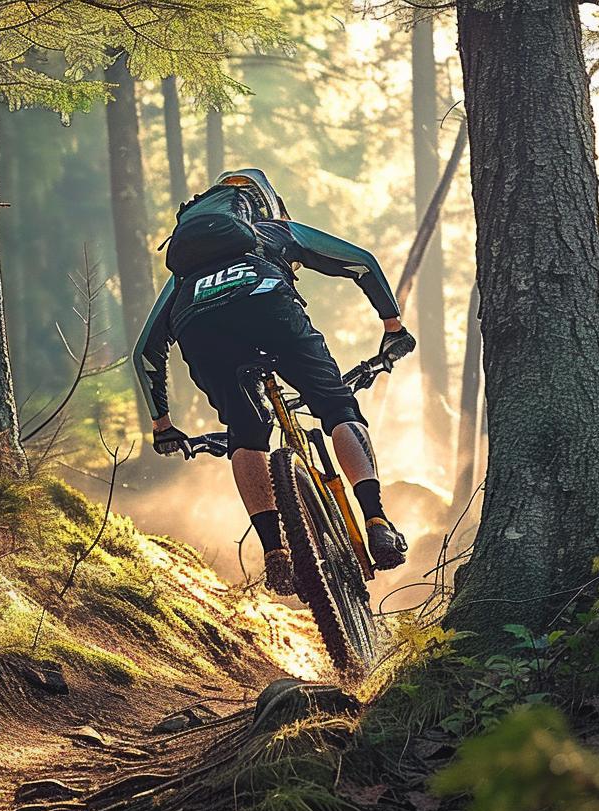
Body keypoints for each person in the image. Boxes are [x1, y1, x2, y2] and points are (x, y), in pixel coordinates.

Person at [132, 168, 415, 596]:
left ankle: (275, 553)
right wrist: (392, 326)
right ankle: (376, 520)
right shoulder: (274, 232)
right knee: (336, 406)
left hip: (199, 327)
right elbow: (361, 262)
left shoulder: (184, 277)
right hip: (268, 306)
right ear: (264, 203)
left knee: (245, 434)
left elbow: (146, 353)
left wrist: (163, 425)